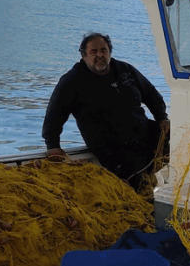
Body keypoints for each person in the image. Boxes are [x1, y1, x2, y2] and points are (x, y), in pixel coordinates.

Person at [43, 33, 169, 189]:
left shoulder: (125, 70)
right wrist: (52, 145)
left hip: (142, 133)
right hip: (111, 147)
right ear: (84, 56)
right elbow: (54, 115)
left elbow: (151, 95)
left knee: (179, 139)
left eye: (104, 50)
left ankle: (154, 180)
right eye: (93, 52)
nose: (100, 55)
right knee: (137, 182)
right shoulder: (72, 81)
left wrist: (162, 117)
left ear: (110, 52)